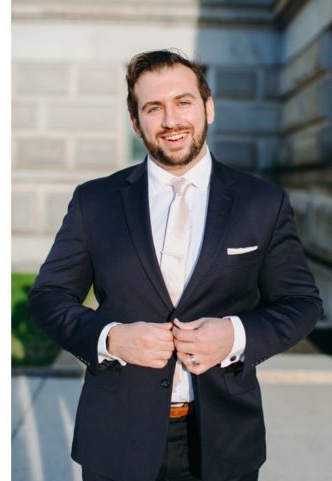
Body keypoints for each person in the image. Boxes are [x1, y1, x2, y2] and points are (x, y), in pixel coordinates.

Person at [29, 49, 321, 481]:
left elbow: (300, 303)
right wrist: (112, 339)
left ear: (208, 107)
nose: (171, 120)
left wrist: (235, 334)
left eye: (183, 102)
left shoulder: (262, 202)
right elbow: (48, 298)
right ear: (136, 122)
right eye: (154, 108)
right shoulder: (95, 202)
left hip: (225, 440)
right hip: (117, 438)